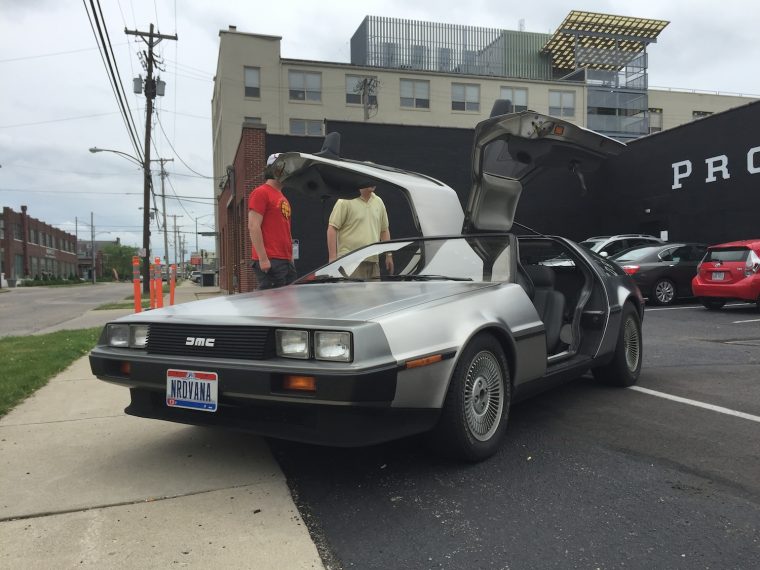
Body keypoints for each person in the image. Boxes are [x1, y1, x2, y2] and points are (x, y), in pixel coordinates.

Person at [248, 153, 297, 289]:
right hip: (271, 260)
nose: (288, 173)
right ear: (274, 169)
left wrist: (291, 257)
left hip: (285, 261)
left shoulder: (283, 198)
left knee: (288, 305)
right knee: (272, 306)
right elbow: (253, 226)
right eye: (284, 168)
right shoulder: (261, 192)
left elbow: (286, 230)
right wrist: (263, 259)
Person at [327, 182, 393, 279]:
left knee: (375, 294)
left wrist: (389, 255)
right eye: (370, 179)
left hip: (373, 262)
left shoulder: (378, 202)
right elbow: (332, 228)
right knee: (352, 294)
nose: (373, 182)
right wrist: (332, 258)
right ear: (361, 180)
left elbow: (384, 230)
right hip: (349, 262)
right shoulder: (345, 201)